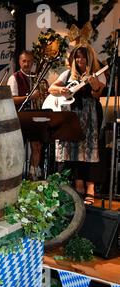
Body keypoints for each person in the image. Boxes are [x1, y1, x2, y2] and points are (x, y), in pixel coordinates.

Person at [48, 44, 106, 205]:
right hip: (71, 117)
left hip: (90, 117)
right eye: (77, 57)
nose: (80, 60)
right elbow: (52, 88)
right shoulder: (67, 74)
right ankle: (77, 187)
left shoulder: (98, 74)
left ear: (90, 58)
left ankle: (90, 189)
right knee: (72, 152)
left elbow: (97, 94)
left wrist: (93, 84)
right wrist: (63, 91)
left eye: (83, 56)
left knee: (89, 152)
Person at [7, 50, 46, 180]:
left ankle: (32, 174)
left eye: (29, 61)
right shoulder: (14, 78)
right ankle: (15, 177)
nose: (27, 63)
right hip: (20, 118)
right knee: (18, 149)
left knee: (37, 147)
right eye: (24, 61)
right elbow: (11, 99)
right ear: (19, 62)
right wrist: (29, 97)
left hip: (35, 117)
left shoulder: (37, 78)